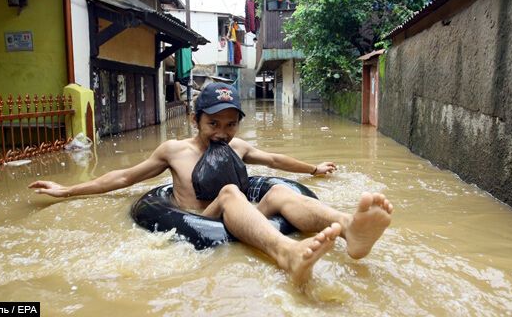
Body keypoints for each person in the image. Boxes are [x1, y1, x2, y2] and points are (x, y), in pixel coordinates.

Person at [29, 83, 393, 284]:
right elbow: (124, 176)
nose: (222, 132)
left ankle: (349, 228)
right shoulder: (174, 151)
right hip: (201, 218)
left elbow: (276, 161)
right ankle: (286, 252)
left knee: (279, 190)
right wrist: (68, 190)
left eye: (230, 124)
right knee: (232, 191)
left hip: (240, 216)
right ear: (195, 119)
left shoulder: (237, 145)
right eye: (213, 124)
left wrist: (313, 169)